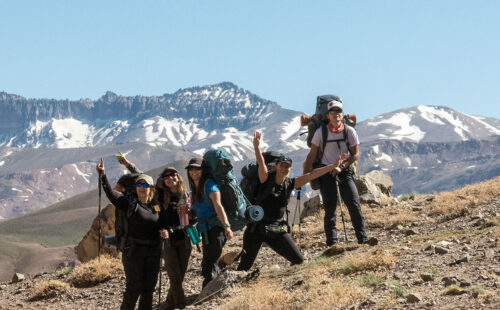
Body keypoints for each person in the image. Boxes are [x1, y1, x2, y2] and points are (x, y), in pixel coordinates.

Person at [237, 131, 345, 271]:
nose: (284, 168)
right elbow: (261, 162)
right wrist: (256, 146)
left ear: (290, 169)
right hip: (256, 229)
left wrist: (332, 165)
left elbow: (312, 174)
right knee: (244, 267)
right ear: (276, 166)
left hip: (276, 229)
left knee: (298, 260)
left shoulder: (290, 184)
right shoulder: (265, 179)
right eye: (281, 165)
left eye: (287, 166)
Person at [96, 158, 169, 310]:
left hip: (153, 252)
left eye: (145, 185)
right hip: (134, 251)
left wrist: (165, 232)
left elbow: (161, 224)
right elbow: (111, 194)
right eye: (138, 185)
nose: (141, 187)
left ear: (151, 188)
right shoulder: (129, 204)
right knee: (133, 288)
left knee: (149, 289)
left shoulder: (156, 206)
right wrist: (103, 176)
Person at [303, 98, 370, 245]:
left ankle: (363, 239)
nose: (336, 114)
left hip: (345, 171)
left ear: (342, 114)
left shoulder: (349, 131)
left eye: (338, 111)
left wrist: (342, 166)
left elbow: (355, 154)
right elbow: (312, 154)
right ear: (328, 115)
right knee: (330, 208)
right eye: (332, 111)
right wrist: (306, 175)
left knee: (353, 204)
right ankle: (332, 243)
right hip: (326, 172)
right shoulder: (321, 133)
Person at [185, 157, 234, 288]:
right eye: (191, 169)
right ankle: (214, 289)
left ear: (204, 170)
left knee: (209, 263)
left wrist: (227, 226)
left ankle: (210, 291)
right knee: (210, 261)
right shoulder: (194, 189)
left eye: (197, 168)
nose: (194, 171)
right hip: (205, 230)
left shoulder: (210, 185)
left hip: (216, 229)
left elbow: (218, 206)